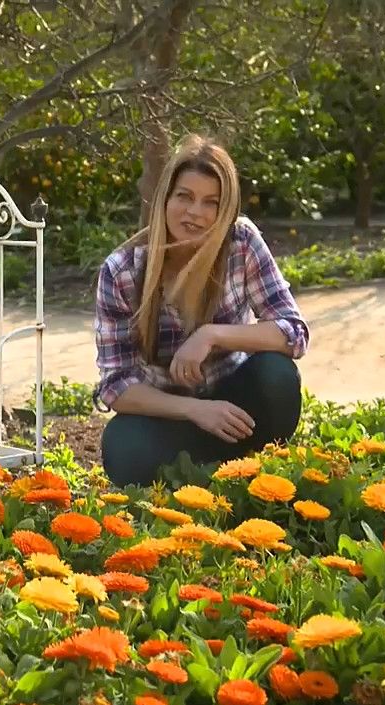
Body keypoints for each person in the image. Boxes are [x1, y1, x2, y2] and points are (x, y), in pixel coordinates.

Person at [92, 134, 309, 487]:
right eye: (184, 196)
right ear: (165, 198)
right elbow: (116, 385)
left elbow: (293, 333)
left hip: (237, 408)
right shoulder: (122, 271)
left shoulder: (241, 243)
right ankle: (205, 474)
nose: (195, 212)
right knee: (122, 446)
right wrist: (195, 410)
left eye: (211, 202)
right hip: (172, 415)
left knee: (277, 374)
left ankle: (253, 469)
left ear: (225, 211)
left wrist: (211, 335)